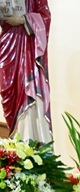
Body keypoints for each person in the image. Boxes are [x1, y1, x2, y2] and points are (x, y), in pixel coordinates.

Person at [0, 0, 51, 142]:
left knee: (26, 90)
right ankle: (15, 145)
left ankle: (30, 141)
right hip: (7, 43)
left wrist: (23, 19)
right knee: (8, 90)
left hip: (27, 45)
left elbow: (45, 17)